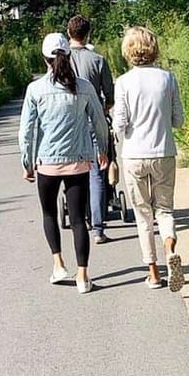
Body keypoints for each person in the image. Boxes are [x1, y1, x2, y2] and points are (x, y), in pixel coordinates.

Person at [19, 32, 109, 294]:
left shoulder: (35, 89)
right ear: (68, 55)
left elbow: (27, 131)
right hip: (79, 161)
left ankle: (58, 265)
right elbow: (99, 122)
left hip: (47, 162)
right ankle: (83, 276)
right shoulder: (84, 87)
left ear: (45, 58)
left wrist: (27, 162)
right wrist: (102, 149)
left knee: (49, 214)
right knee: (79, 219)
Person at [112, 26, 185, 291]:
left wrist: (114, 135)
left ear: (128, 51)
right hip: (164, 151)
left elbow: (120, 122)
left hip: (134, 155)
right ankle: (170, 250)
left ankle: (153, 273)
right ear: (153, 49)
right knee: (165, 210)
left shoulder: (123, 83)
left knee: (143, 216)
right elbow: (179, 119)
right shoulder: (168, 79)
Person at [67, 14, 115, 244]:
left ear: (69, 34)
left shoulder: (61, 61)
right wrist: (104, 107)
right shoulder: (98, 60)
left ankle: (80, 216)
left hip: (70, 124)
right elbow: (110, 94)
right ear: (88, 35)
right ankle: (97, 228)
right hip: (93, 121)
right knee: (97, 173)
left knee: (77, 173)